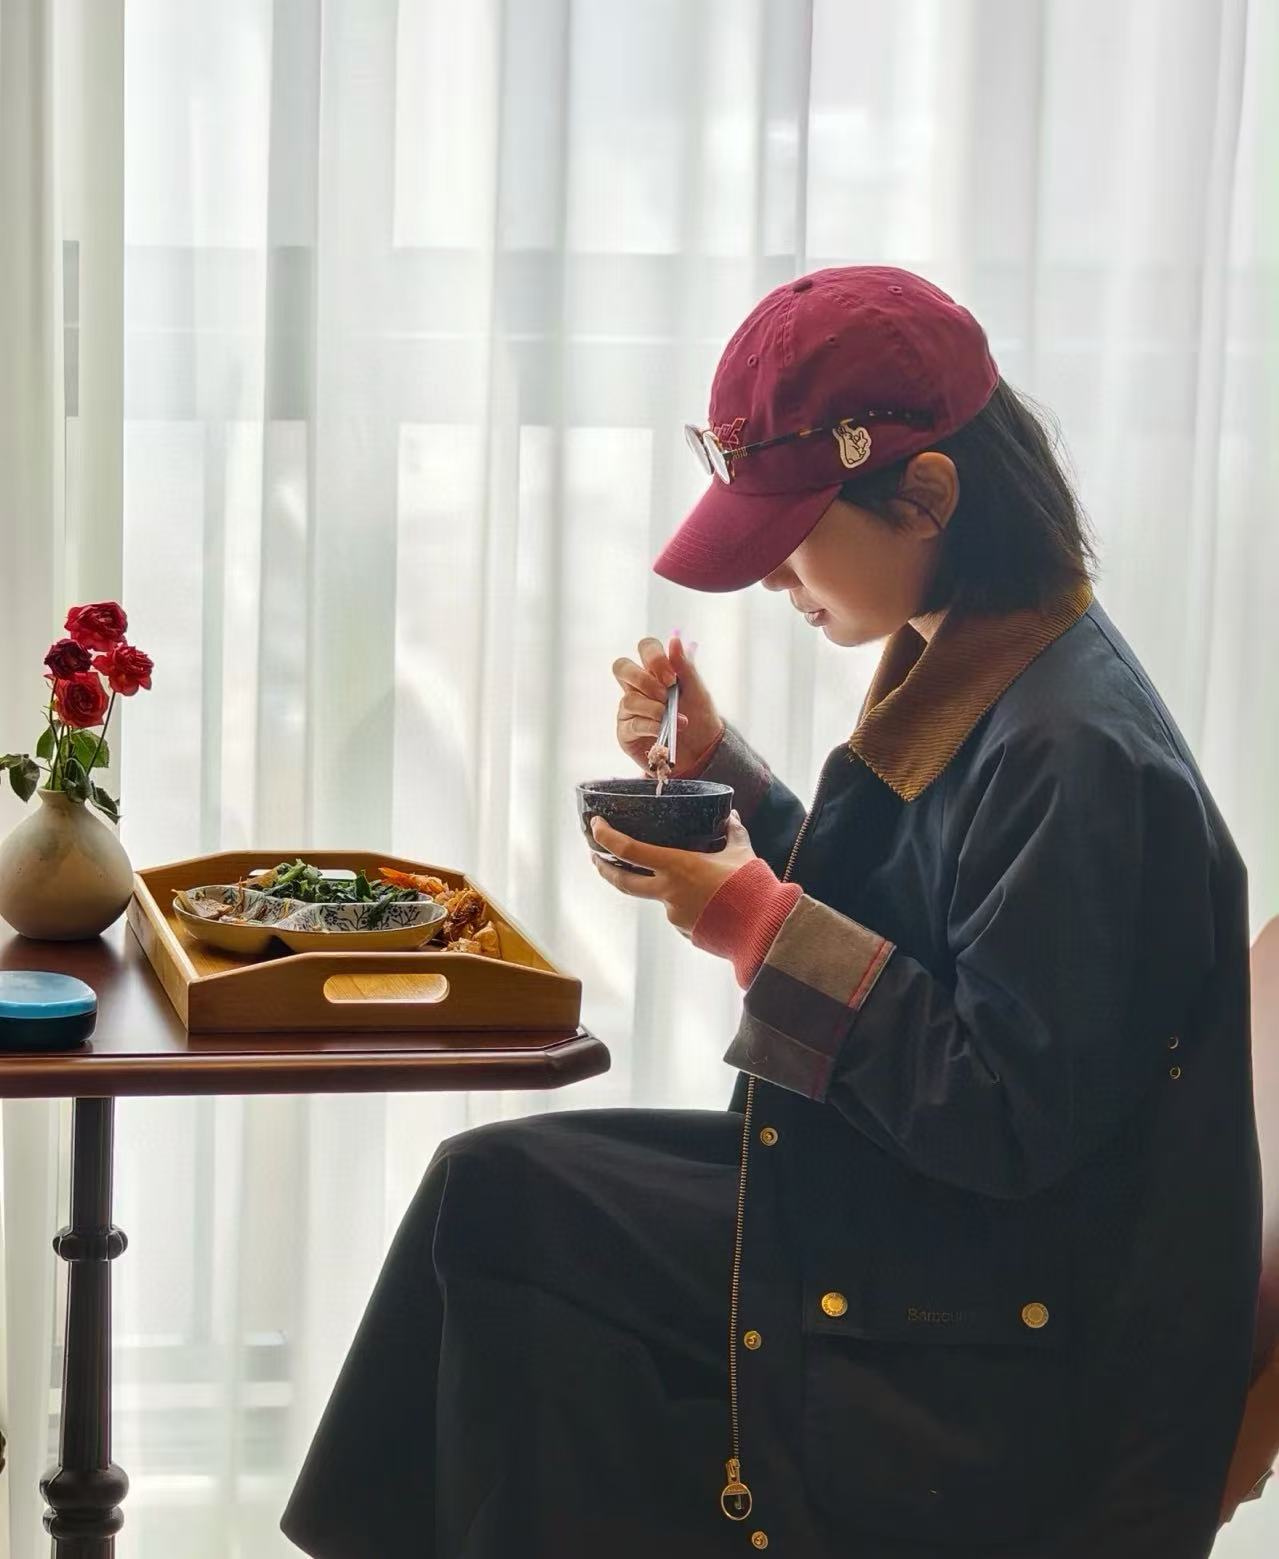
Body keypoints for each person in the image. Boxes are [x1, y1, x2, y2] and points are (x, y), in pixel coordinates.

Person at [281, 267, 1260, 1558]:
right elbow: (929, 935)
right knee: (498, 1193)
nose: (770, 581)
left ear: (925, 496)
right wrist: (725, 779)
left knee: (513, 1219)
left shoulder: (1078, 753)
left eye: (790, 539)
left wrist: (751, 917)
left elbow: (1002, 1115)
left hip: (1010, 1325)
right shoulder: (1001, 661)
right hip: (949, 1236)